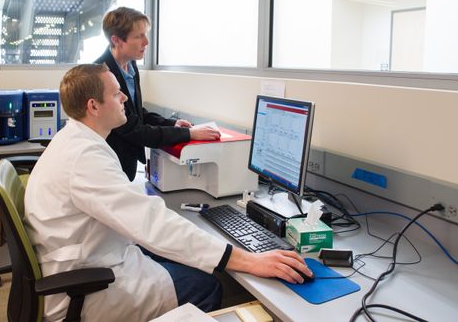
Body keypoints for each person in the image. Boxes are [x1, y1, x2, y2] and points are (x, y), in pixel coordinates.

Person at [24, 64, 312, 321]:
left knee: (184, 259)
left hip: (91, 260)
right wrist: (249, 259)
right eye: (115, 94)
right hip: (88, 286)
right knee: (208, 285)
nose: (124, 97)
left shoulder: (75, 141)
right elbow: (150, 222)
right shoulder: (84, 157)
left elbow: (133, 212)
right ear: (94, 106)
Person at [95, 6, 220, 181]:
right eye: (139, 36)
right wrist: (189, 134)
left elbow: (136, 112)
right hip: (109, 167)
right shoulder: (100, 74)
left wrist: (172, 123)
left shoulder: (130, 66)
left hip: (126, 166)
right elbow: (132, 129)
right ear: (117, 40)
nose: (146, 42)